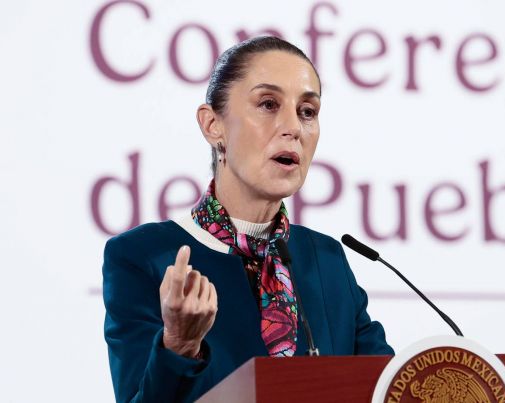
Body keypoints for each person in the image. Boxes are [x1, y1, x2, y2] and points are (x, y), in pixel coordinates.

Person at [102, 36, 394, 403]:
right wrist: (179, 346)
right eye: (268, 104)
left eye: (307, 111)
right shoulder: (144, 256)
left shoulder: (326, 259)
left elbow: (389, 386)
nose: (294, 127)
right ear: (213, 125)